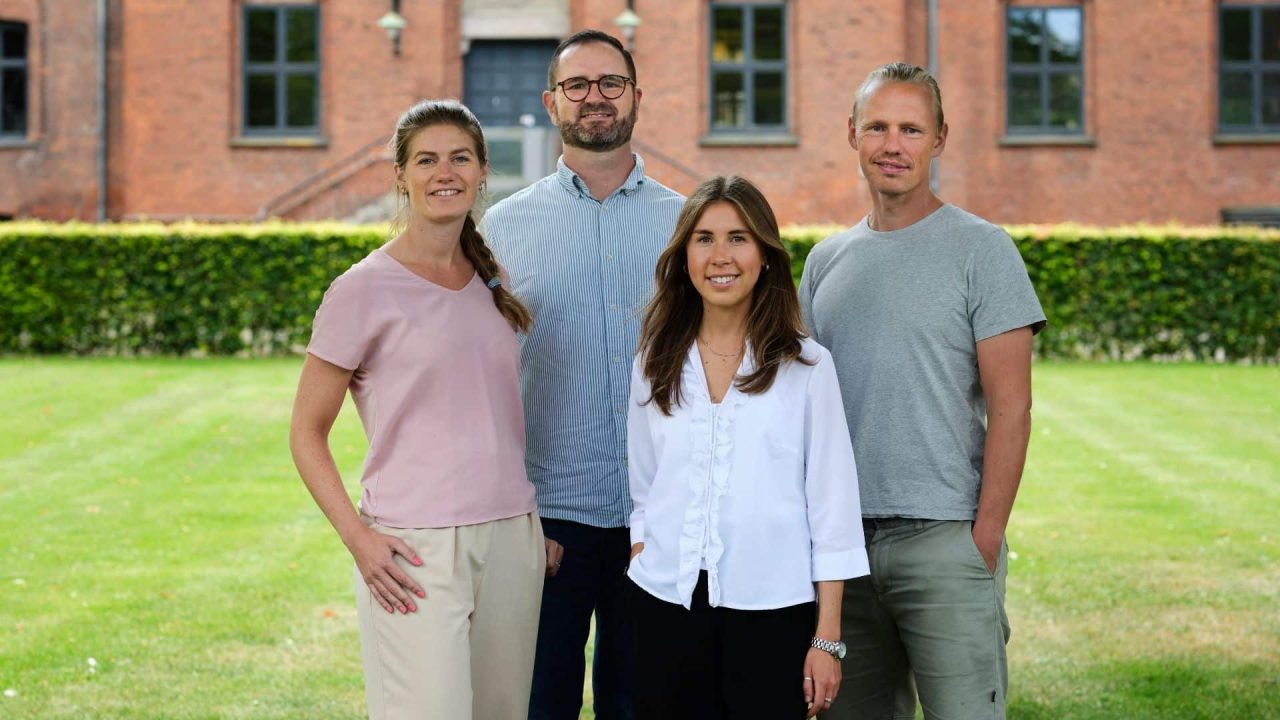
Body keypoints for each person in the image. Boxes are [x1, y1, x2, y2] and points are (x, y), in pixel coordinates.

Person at [798, 63, 1047, 720]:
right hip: (844, 553)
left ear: (940, 138)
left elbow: (1012, 407)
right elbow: (802, 412)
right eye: (877, 127)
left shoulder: (982, 250)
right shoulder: (825, 263)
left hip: (945, 539)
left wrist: (983, 538)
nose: (892, 145)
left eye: (910, 129)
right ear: (852, 133)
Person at [289, 100, 546, 720]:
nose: (444, 172)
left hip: (511, 539)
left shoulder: (493, 279)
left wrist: (531, 524)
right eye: (426, 160)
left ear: (482, 171)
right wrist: (359, 540)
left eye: (460, 157)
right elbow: (306, 432)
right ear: (401, 176)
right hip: (413, 549)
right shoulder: (361, 289)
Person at [481, 29, 685, 720]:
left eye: (610, 83)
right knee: (540, 705)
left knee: (642, 706)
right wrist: (515, 516)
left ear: (636, 97)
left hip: (655, 519)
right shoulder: (502, 229)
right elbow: (484, 383)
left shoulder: (688, 226)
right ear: (551, 102)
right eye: (577, 85)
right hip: (547, 525)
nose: (595, 97)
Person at [626, 175, 868, 720]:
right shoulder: (654, 361)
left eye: (738, 237)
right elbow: (643, 484)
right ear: (684, 257)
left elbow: (832, 510)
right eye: (704, 238)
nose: (721, 256)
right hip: (664, 605)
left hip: (773, 612)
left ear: (765, 255)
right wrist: (643, 549)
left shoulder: (807, 367)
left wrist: (826, 639)